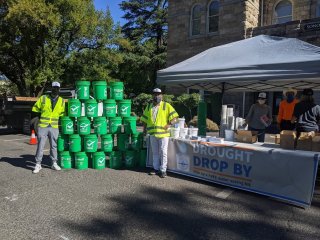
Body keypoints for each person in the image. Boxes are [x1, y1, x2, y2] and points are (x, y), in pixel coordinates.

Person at [141, 88, 179, 178]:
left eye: (158, 94)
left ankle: (163, 170)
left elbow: (175, 118)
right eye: (155, 94)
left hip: (163, 134)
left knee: (163, 152)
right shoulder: (149, 106)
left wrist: (169, 124)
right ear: (152, 95)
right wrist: (144, 130)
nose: (156, 96)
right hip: (153, 134)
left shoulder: (166, 105)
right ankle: (156, 168)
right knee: (155, 152)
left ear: (162, 95)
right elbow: (144, 119)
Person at [32, 82, 65, 174]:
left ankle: (54, 163)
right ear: (51, 88)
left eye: (57, 88)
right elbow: (35, 108)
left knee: (54, 146)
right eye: (54, 88)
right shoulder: (43, 98)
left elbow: (62, 113)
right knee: (41, 145)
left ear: (59, 89)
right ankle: (38, 164)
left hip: (54, 126)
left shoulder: (62, 100)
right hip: (43, 125)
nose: (55, 89)